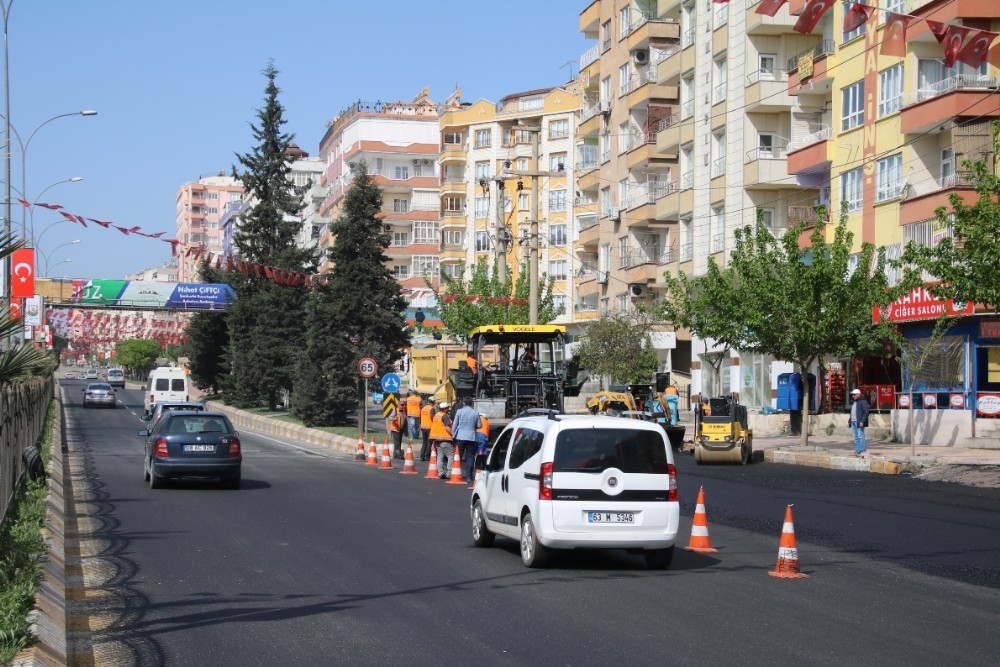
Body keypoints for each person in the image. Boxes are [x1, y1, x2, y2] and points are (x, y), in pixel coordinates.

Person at [451, 396, 481, 483]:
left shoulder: (459, 412)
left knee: (458, 456)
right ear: (471, 404)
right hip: (471, 437)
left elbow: (455, 424)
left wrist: (453, 434)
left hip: (460, 436)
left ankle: (456, 473)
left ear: (463, 403)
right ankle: (469, 476)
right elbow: (479, 425)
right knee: (470, 456)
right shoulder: (475, 413)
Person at [429, 401, 454, 478]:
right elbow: (446, 427)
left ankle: (441, 473)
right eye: (447, 408)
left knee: (440, 456)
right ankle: (449, 473)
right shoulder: (445, 416)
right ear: (445, 409)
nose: (448, 410)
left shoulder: (436, 415)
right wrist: (453, 434)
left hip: (436, 440)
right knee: (450, 456)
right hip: (445, 439)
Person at [849, 388, 870, 457]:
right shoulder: (854, 403)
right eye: (852, 395)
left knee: (861, 436)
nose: (853, 396)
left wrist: (862, 421)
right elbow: (853, 412)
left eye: (854, 395)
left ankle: (863, 450)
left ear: (858, 394)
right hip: (853, 421)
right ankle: (857, 450)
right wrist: (850, 420)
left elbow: (866, 412)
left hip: (859, 422)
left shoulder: (863, 402)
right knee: (855, 437)